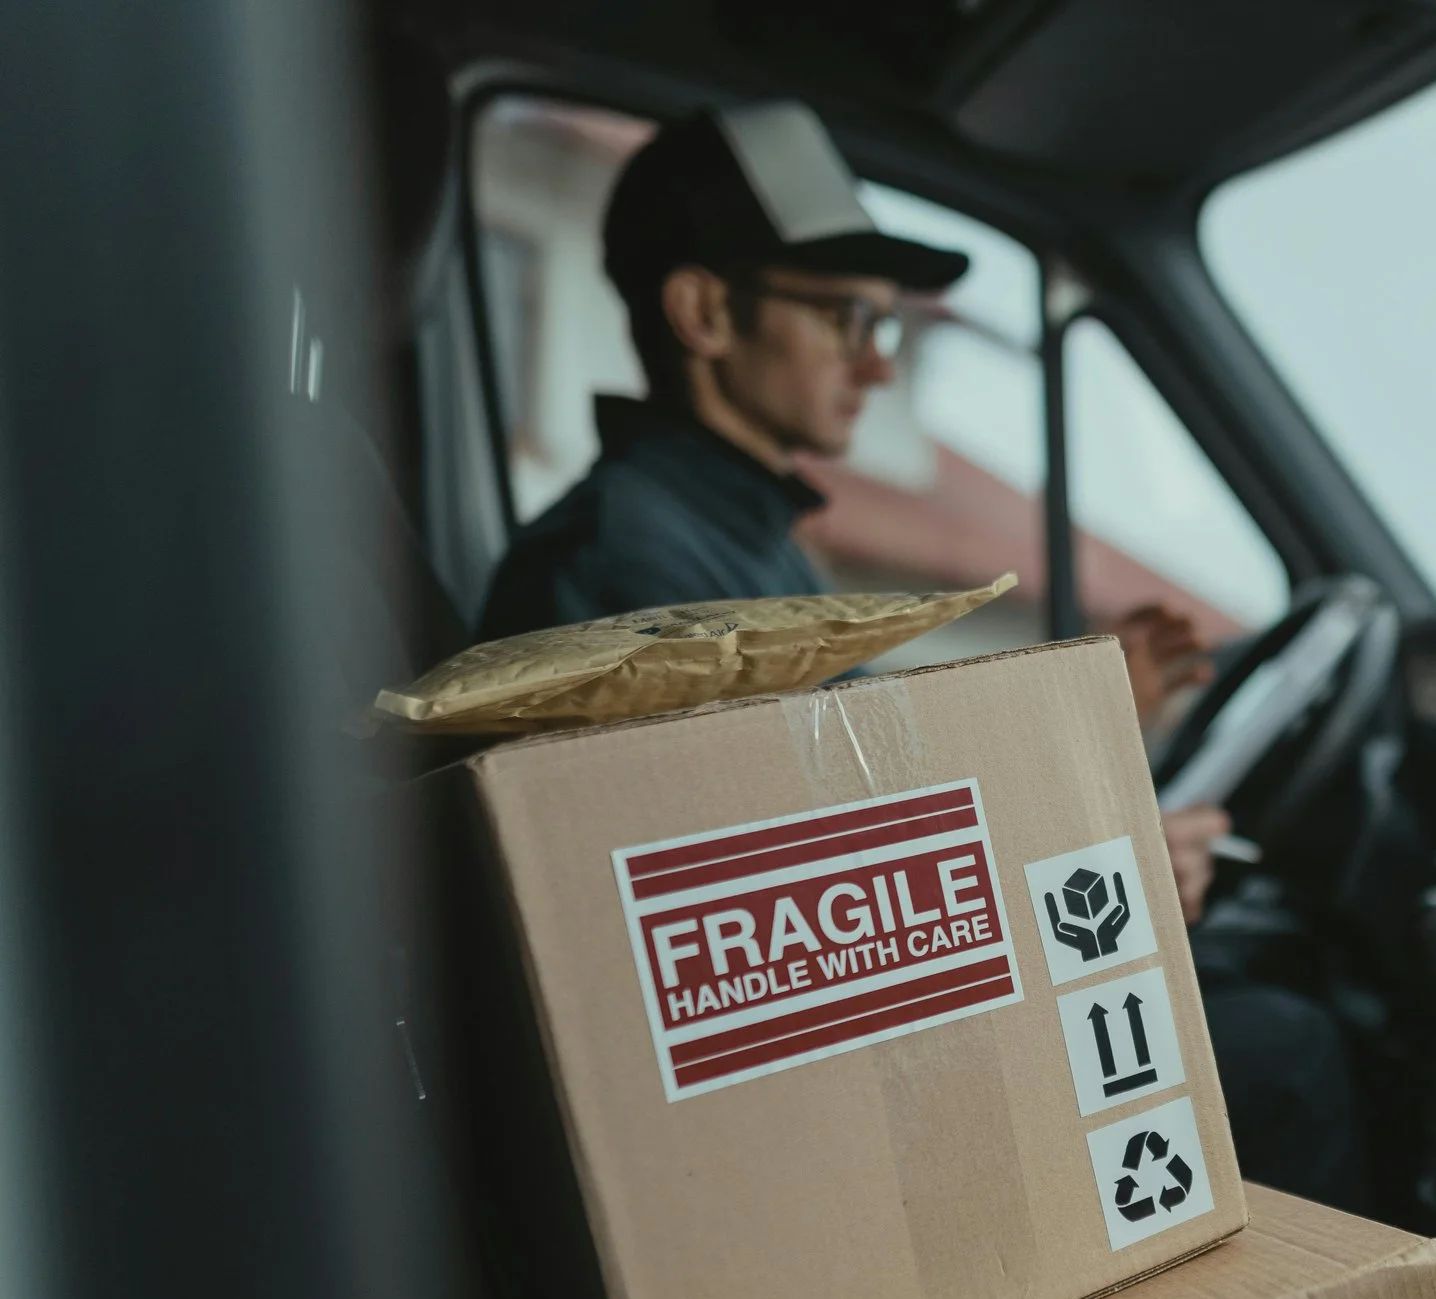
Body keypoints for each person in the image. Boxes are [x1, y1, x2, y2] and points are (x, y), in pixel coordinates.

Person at [476, 102, 1365, 1208]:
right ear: (704, 310)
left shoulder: (724, 542)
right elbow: (765, 937)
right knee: (1291, 1046)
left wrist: (1081, 734)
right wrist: (1103, 869)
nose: (877, 366)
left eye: (886, 328)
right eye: (848, 317)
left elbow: (847, 806)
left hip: (874, 1035)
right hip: (817, 1108)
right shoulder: (629, 574)